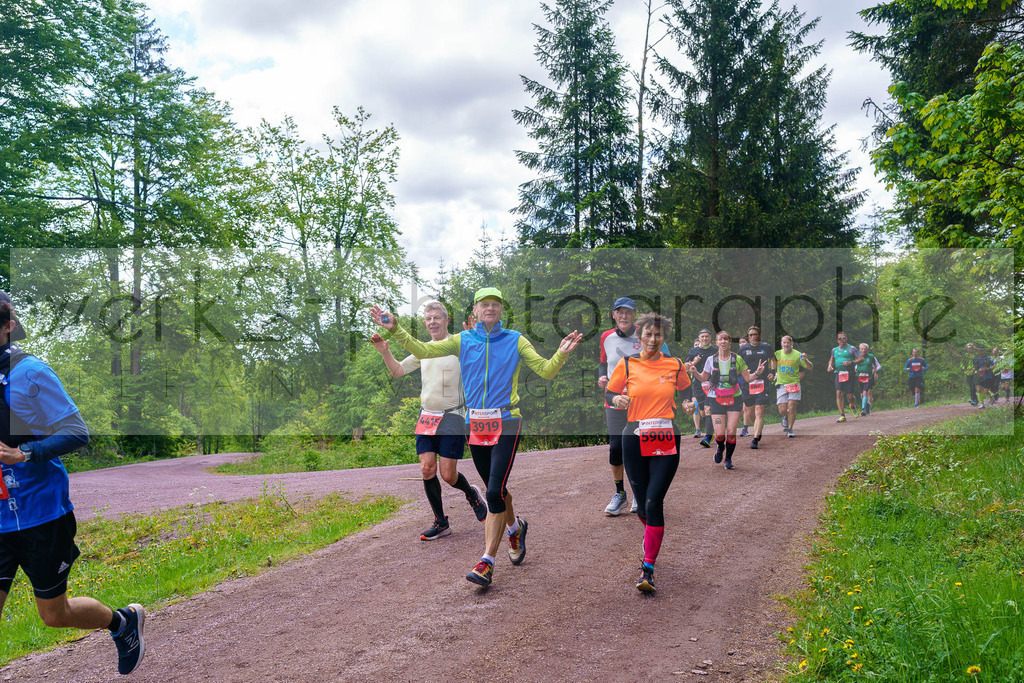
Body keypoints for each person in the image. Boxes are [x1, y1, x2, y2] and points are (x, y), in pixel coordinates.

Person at [371, 288, 581, 588]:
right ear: (476, 311)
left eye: (496, 304)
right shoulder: (463, 340)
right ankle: (515, 526)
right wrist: (396, 329)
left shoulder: (515, 339)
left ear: (500, 310)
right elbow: (423, 351)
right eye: (485, 305)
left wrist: (561, 353)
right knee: (497, 490)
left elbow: (546, 371)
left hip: (507, 420)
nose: (490, 309)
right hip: (475, 424)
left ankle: (487, 562)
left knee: (494, 493)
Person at [0, 291, 145, 675]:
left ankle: (122, 622)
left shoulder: (29, 372)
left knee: (54, 614)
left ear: (8, 327)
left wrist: (25, 454)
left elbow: (76, 433)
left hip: (41, 512)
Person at [371, 301, 487, 540]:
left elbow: (481, 360)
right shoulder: (422, 350)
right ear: (425, 324)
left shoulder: (458, 344)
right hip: (427, 416)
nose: (432, 322)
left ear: (446, 320)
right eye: (428, 318)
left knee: (448, 475)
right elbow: (397, 371)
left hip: (452, 415)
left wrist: (479, 336)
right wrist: (385, 352)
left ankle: (471, 492)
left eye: (437, 317)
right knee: (426, 469)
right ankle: (441, 522)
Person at [605, 313, 692, 593]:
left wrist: (690, 405)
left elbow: (689, 393)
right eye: (648, 335)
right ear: (639, 337)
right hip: (634, 436)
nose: (653, 340)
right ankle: (650, 536)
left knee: (655, 503)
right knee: (642, 506)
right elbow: (609, 393)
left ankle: (648, 568)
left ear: (664, 338)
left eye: (658, 335)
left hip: (666, 437)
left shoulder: (675, 364)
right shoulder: (627, 364)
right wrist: (616, 398)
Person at [596, 297, 669, 517]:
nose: (625, 316)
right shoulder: (606, 337)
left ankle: (640, 493)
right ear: (614, 315)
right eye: (621, 312)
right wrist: (602, 376)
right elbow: (603, 361)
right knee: (616, 447)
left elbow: (666, 357)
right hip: (615, 400)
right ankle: (620, 494)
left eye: (629, 312)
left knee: (641, 447)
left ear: (634, 316)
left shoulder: (646, 333)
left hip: (643, 402)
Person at [689, 331, 766, 470]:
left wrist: (758, 373)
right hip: (715, 399)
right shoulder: (711, 360)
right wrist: (694, 371)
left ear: (730, 342)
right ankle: (719, 448)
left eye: (726, 339)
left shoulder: (737, 359)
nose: (723, 342)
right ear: (717, 342)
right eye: (721, 339)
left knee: (731, 432)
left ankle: (728, 459)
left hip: (734, 398)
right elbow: (703, 378)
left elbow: (748, 378)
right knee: (719, 434)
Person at [770, 335, 812, 438]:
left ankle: (790, 429)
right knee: (782, 409)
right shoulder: (777, 354)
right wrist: (773, 373)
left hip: (794, 383)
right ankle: (785, 417)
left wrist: (806, 360)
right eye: (784, 343)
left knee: (792, 406)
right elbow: (773, 365)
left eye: (788, 342)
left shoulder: (798, 354)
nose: (786, 344)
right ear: (781, 344)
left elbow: (810, 367)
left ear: (791, 343)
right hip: (781, 384)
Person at [737, 327, 772, 449]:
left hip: (762, 382)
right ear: (748, 336)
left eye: (755, 334)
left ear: (759, 335)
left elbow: (773, 359)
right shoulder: (743, 349)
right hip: (748, 383)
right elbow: (737, 364)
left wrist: (772, 371)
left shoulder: (766, 347)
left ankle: (755, 439)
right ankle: (758, 427)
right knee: (750, 412)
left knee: (759, 410)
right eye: (751, 335)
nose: (753, 337)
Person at [684, 329, 717, 447]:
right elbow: (685, 367)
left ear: (710, 338)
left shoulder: (715, 350)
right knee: (702, 412)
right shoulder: (693, 351)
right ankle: (711, 427)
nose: (704, 339)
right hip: (698, 384)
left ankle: (708, 436)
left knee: (708, 409)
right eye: (702, 337)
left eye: (707, 336)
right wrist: (694, 361)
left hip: (712, 383)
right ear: (699, 338)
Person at [826, 332, 858, 422]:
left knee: (850, 396)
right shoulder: (834, 350)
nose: (841, 340)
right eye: (839, 338)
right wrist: (830, 366)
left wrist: (851, 362)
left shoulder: (852, 348)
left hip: (850, 373)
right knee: (839, 393)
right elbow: (831, 360)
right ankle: (842, 415)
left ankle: (853, 405)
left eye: (843, 338)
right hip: (839, 373)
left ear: (846, 339)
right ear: (837, 340)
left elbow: (860, 358)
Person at [853, 343, 879, 416]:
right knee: (861, 394)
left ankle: (863, 409)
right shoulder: (856, 357)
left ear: (868, 350)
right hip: (859, 376)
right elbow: (854, 365)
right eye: (862, 349)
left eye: (865, 349)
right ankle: (867, 404)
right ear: (859, 350)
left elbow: (875, 365)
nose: (863, 350)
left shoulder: (871, 357)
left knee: (865, 392)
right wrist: (854, 370)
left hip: (868, 377)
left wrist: (875, 372)